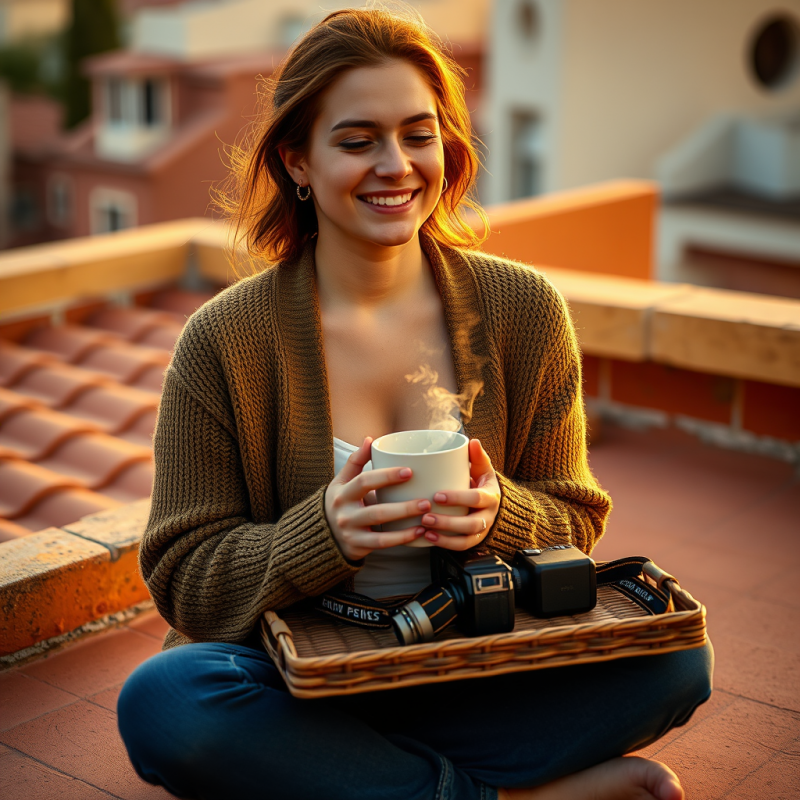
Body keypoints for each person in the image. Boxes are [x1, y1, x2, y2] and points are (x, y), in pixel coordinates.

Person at [118, 7, 713, 800]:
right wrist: (319, 535)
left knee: (676, 658)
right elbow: (184, 576)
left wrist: (500, 511)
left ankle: (362, 777)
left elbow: (575, 515)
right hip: (295, 671)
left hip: (469, 658)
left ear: (447, 145)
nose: (395, 165)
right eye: (357, 140)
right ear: (297, 160)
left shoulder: (524, 309)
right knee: (169, 703)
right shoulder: (224, 341)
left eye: (418, 134)